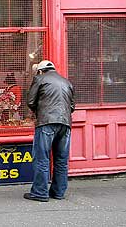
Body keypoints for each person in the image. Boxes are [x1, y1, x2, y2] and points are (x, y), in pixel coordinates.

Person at [23, 60, 75, 202]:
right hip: (65, 124)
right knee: (61, 160)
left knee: (42, 158)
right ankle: (58, 192)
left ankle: (40, 192)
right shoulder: (66, 82)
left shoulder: (39, 79)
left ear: (40, 71)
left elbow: (31, 101)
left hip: (46, 122)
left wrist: (37, 113)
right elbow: (72, 106)